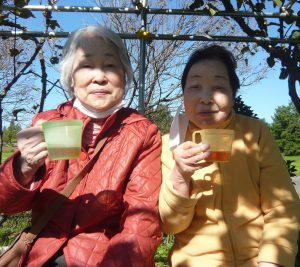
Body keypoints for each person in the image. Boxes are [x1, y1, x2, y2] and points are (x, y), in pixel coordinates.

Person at [0, 25, 162, 266]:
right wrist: (24, 168)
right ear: (71, 78)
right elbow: (7, 203)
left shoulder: (141, 132)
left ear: (125, 75)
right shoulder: (48, 122)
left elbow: (142, 220)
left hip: (106, 257)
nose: (99, 76)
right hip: (43, 254)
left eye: (110, 65)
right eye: (86, 65)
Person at [159, 45, 300, 267]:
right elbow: (171, 225)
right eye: (195, 86)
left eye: (218, 87)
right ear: (183, 93)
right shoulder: (170, 144)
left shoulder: (255, 133)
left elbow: (282, 206)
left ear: (233, 96)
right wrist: (180, 175)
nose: (206, 98)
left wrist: (273, 260)